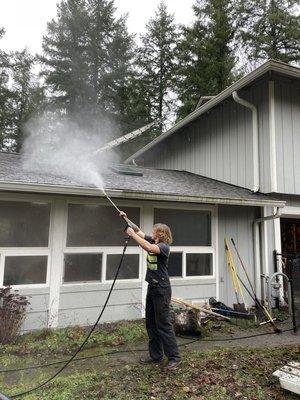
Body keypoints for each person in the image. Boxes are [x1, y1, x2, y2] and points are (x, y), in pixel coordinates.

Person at [119, 211, 181, 371]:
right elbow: (138, 230)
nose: (152, 233)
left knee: (163, 324)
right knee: (151, 323)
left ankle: (175, 357)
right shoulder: (153, 240)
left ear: (161, 234)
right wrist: (126, 217)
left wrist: (132, 235)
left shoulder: (163, 247)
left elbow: (147, 246)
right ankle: (156, 356)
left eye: (154, 231)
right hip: (152, 287)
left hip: (162, 289)